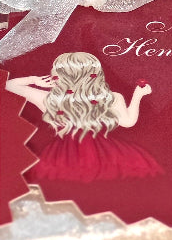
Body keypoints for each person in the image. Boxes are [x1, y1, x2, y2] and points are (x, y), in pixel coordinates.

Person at [5, 52, 161, 182]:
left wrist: (33, 80)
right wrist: (138, 95)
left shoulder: (49, 99)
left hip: (64, 156)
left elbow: (9, 85)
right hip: (104, 154)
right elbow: (128, 122)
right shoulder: (111, 98)